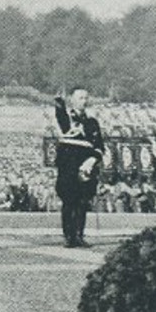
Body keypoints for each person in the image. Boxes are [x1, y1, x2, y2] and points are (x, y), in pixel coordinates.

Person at [52, 87, 105, 247]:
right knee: (69, 201)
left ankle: (79, 235)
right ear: (72, 100)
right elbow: (62, 119)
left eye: (86, 98)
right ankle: (69, 236)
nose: (84, 101)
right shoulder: (67, 119)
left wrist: (92, 161)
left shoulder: (92, 122)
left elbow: (99, 146)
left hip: (86, 167)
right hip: (69, 166)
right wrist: (59, 104)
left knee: (82, 202)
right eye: (81, 98)